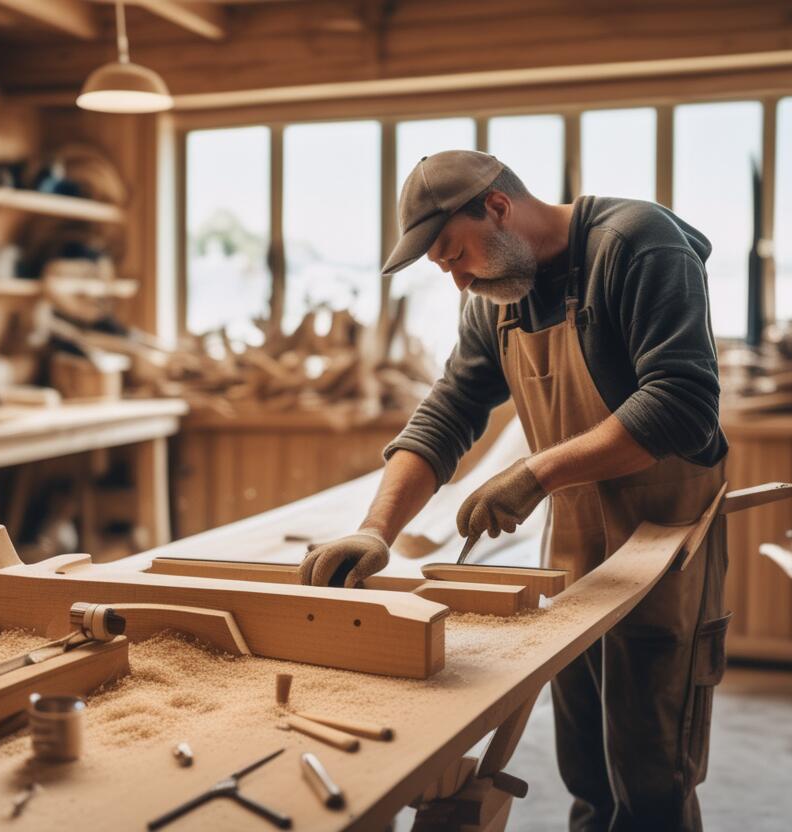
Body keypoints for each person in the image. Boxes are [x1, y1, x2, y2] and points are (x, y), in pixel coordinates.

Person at [298, 150, 729, 831]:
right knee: (587, 774)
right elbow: (447, 413)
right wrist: (375, 529)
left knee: (651, 780)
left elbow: (682, 404)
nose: (459, 281)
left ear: (496, 206)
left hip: (664, 546)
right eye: (445, 269)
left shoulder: (637, 244)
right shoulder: (498, 296)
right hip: (577, 550)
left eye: (455, 254)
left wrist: (536, 473)